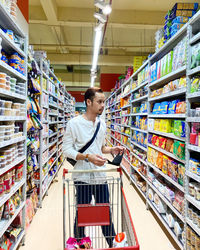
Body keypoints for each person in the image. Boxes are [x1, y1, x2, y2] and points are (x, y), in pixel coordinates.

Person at [63, 87, 124, 247]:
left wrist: (111, 150)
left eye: (104, 101)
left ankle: (112, 243)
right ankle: (80, 242)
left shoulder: (102, 124)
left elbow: (100, 147)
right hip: (82, 176)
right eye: (99, 101)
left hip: (100, 176)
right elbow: (67, 150)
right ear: (88, 102)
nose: (103, 105)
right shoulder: (74, 124)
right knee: (82, 212)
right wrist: (88, 157)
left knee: (105, 211)